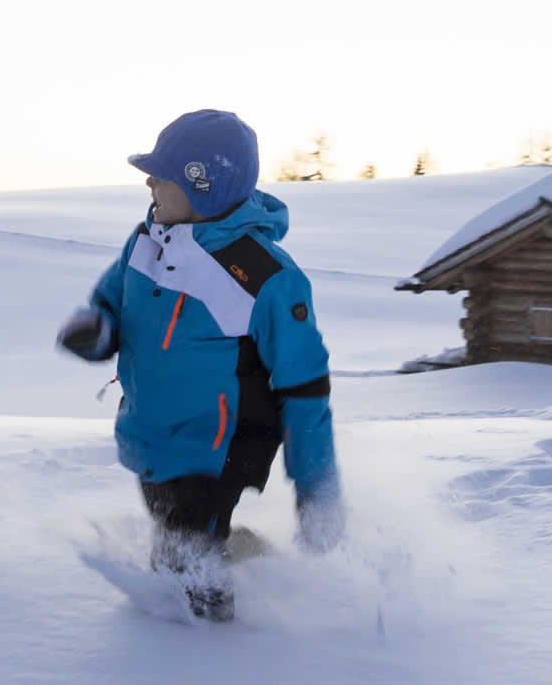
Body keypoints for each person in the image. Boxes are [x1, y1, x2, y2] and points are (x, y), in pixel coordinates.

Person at [57, 109, 345, 621]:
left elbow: (305, 387)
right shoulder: (146, 238)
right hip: (153, 435)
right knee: (177, 541)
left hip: (219, 447)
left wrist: (317, 490)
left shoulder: (263, 275)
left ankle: (216, 650)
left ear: (202, 185)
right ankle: (248, 561)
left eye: (162, 173)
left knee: (188, 563)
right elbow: (111, 302)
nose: (148, 180)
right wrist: (97, 330)